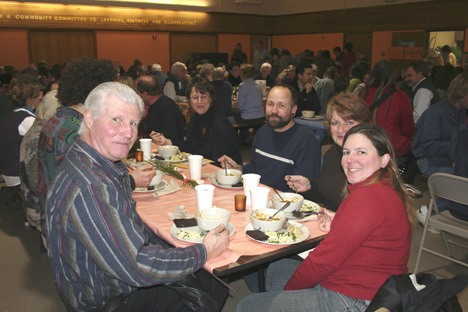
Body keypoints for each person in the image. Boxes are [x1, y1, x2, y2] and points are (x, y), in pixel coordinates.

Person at [44, 82, 229, 311]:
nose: (128, 132)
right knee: (212, 283)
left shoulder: (84, 160)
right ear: (89, 119)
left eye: (133, 123)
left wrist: (130, 181)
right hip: (106, 301)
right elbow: (138, 266)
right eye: (117, 120)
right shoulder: (91, 187)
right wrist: (203, 252)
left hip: (89, 280)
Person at [237, 123, 415, 312]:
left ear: (384, 159)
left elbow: (322, 262)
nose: (350, 160)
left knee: (246, 306)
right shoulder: (383, 188)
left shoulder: (367, 198)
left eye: (361, 152)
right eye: (346, 152)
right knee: (277, 270)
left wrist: (287, 296)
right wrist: (340, 223)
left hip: (356, 300)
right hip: (374, 287)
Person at [37, 58, 156, 216]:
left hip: (52, 211)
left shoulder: (58, 119)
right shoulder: (79, 132)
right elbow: (95, 188)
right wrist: (132, 181)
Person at [219, 84, 321, 191]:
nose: (274, 111)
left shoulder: (307, 142)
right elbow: (255, 167)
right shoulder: (263, 132)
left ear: (293, 110)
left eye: (281, 105)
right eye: (270, 104)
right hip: (258, 196)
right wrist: (238, 169)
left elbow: (308, 191)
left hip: (284, 203)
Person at [286, 93, 371, 211]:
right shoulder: (332, 153)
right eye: (335, 123)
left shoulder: (369, 161)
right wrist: (309, 186)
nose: (341, 129)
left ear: (364, 125)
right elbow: (329, 195)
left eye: (349, 122)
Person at [413, 72, 468, 225]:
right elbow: (428, 148)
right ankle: (428, 210)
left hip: (449, 160)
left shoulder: (461, 112)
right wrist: (457, 145)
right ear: (461, 94)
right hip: (429, 161)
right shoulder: (435, 113)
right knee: (461, 185)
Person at [151, 77, 242, 165]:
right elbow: (188, 147)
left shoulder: (221, 125)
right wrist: (166, 142)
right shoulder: (196, 117)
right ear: (189, 100)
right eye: (195, 97)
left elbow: (219, 162)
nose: (199, 101)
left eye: (204, 97)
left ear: (211, 98)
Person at [0, 74, 44, 211]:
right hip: (15, 174)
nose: (41, 97)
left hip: (7, 170)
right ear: (30, 100)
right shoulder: (27, 120)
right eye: (38, 95)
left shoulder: (15, 114)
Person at [19, 90, 61, 228]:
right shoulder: (39, 136)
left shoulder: (41, 129)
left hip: (39, 198)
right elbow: (37, 184)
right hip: (38, 206)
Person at [362, 60, 415, 159]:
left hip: (365, 146)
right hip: (393, 148)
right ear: (394, 76)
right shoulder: (401, 97)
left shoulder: (362, 94)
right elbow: (409, 130)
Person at [135, 75, 185, 145]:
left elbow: (173, 138)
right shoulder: (156, 104)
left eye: (137, 92)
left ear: (144, 94)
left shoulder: (166, 108)